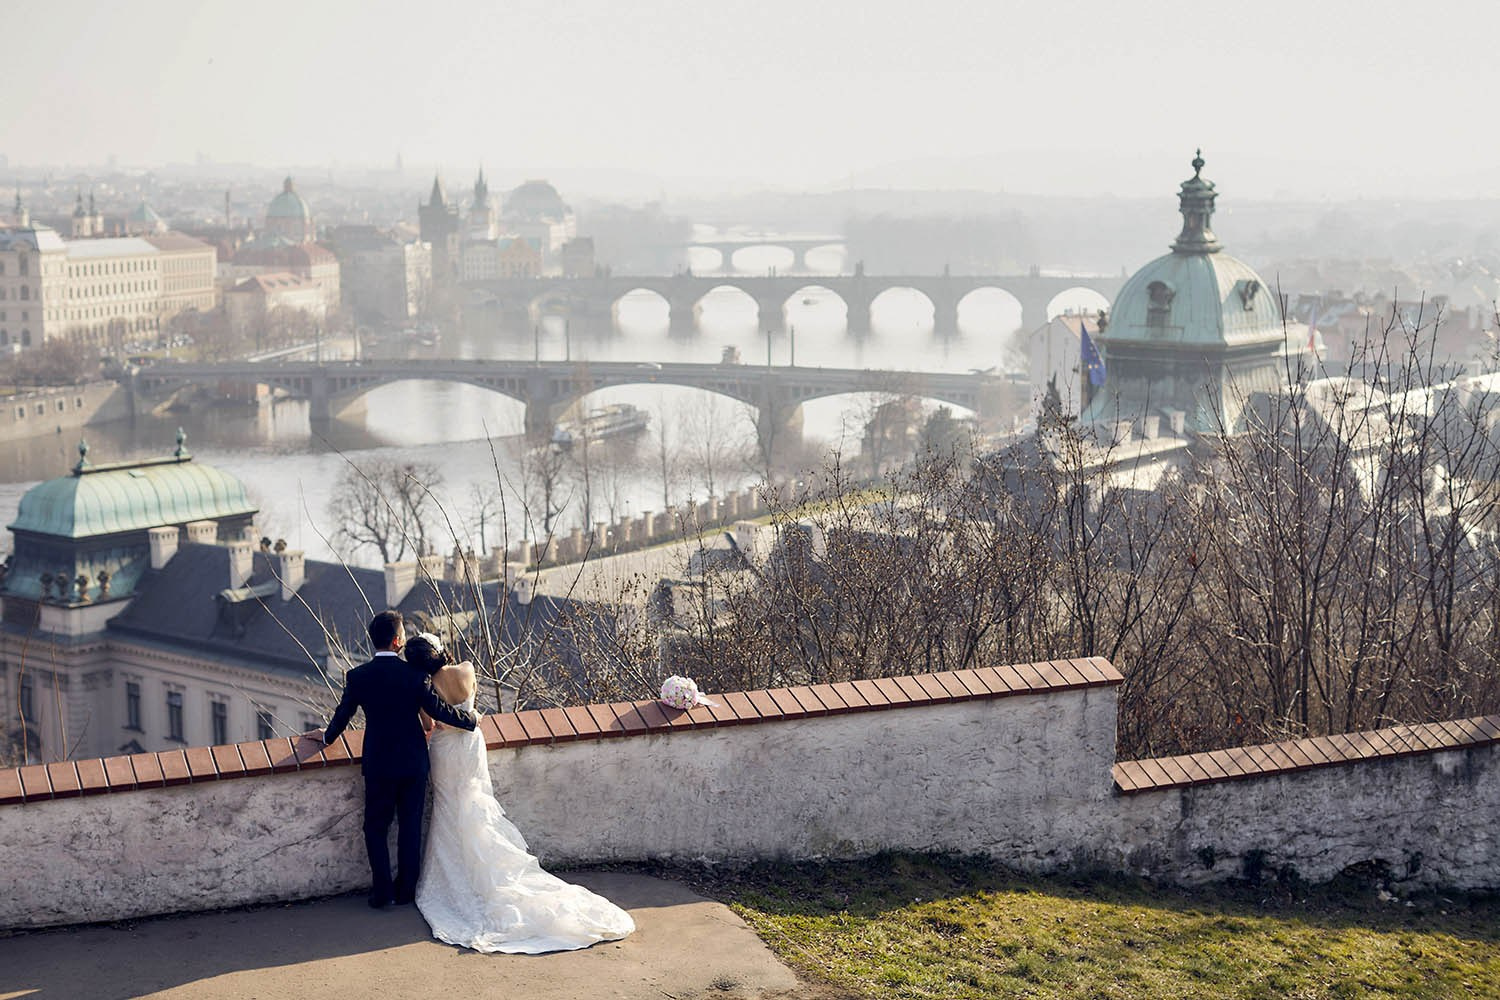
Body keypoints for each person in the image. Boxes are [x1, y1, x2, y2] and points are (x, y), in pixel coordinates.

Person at [404, 632, 635, 953]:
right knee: (475, 801)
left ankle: (456, 872)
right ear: (441, 651)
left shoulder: (423, 687)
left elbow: (431, 725)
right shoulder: (466, 670)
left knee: (448, 806)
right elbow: (470, 703)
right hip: (470, 746)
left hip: (444, 752)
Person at [315, 610, 479, 909]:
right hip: (414, 763)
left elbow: (343, 714)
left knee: (376, 828)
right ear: (397, 641)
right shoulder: (415, 676)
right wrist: (470, 721)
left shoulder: (358, 676)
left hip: (379, 763)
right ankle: (406, 891)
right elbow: (439, 710)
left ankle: (383, 893)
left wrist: (327, 738)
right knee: (410, 826)